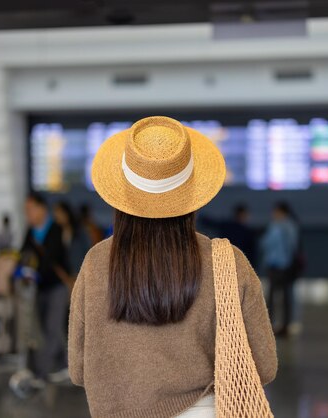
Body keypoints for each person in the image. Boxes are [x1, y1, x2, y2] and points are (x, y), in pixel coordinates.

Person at [68, 116, 277, 417]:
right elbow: (263, 365)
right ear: (192, 193)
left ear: (121, 193)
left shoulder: (97, 263)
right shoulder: (227, 262)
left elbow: (78, 370)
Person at [20, 192, 69, 381]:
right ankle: (65, 364)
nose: (28, 214)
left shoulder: (55, 229)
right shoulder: (30, 232)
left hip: (56, 287)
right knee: (50, 329)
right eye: (26, 211)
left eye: (31, 209)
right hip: (40, 288)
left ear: (42, 209)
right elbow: (22, 253)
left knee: (52, 327)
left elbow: (51, 259)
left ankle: (42, 371)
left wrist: (35, 266)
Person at [260, 201, 300, 338]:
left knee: (280, 296)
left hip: (281, 265)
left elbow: (267, 244)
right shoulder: (285, 226)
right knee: (278, 296)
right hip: (278, 265)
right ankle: (277, 324)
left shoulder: (281, 226)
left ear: (282, 212)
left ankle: (279, 325)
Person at [53, 201, 91, 288]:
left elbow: (87, 249)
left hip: (79, 272)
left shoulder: (80, 231)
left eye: (59, 213)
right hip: (64, 276)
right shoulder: (56, 233)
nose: (57, 216)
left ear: (67, 213)